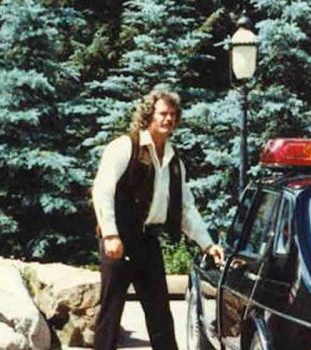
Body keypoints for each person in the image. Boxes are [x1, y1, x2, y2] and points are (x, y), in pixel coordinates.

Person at [91, 89, 225, 350]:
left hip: (148, 241)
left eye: (174, 115)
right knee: (111, 312)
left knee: (160, 314)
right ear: (148, 115)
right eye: (163, 113)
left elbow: (186, 208)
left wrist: (208, 244)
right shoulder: (124, 147)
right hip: (119, 240)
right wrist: (110, 234)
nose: (169, 119)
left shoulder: (175, 161)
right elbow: (101, 190)